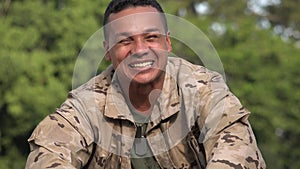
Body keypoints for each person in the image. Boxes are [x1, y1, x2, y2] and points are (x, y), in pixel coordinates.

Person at [25, 0, 266, 168]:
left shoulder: (202, 89)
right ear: (108, 50)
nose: (140, 50)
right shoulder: (85, 105)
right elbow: (49, 156)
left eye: (151, 38)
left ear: (168, 43)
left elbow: (237, 152)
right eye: (125, 41)